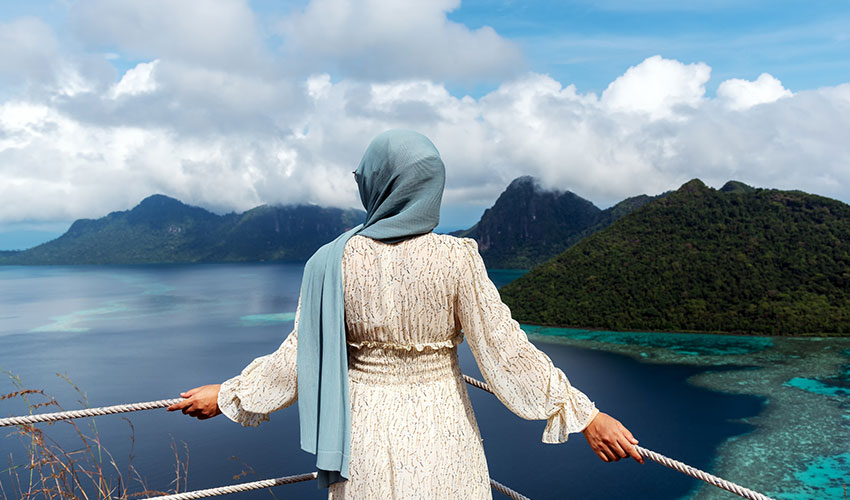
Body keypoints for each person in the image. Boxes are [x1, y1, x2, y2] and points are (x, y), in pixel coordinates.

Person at [168, 130, 643, 499]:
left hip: (363, 437)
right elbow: (506, 351)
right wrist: (584, 415)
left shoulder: (330, 262)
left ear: (378, 184)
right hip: (444, 432)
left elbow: (297, 358)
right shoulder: (456, 257)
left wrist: (228, 395)